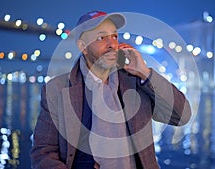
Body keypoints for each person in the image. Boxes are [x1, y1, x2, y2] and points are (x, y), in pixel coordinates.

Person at [30, 11, 192, 169]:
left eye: (114, 36)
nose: (112, 45)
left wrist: (145, 73)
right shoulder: (57, 90)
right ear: (83, 46)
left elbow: (181, 116)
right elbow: (43, 153)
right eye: (101, 37)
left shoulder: (136, 82)